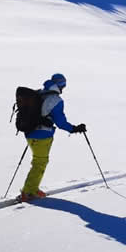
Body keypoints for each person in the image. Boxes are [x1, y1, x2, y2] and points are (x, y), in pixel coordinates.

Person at [19, 73, 86, 202]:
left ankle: (33, 188)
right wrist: (74, 129)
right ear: (60, 85)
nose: (63, 89)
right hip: (42, 136)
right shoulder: (56, 100)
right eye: (64, 86)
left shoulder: (40, 93)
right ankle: (28, 192)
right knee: (40, 163)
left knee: (38, 161)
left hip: (30, 132)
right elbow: (60, 122)